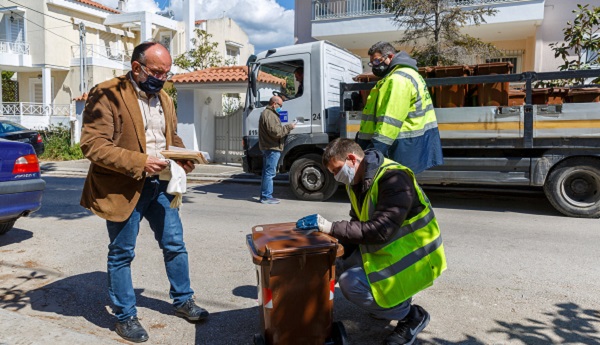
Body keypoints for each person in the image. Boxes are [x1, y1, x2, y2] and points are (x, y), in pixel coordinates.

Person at [79, 42, 208, 343]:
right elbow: (93, 145)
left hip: (161, 184)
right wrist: (140, 161)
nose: (162, 78)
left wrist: (182, 157)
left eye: (167, 72)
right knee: (122, 252)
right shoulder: (107, 93)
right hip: (123, 187)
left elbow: (169, 136)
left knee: (175, 244)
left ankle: (183, 300)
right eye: (156, 72)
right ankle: (125, 316)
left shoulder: (164, 97)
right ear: (136, 67)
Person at [296, 138, 446, 345]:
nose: (335, 176)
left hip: (416, 256)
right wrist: (335, 252)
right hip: (387, 249)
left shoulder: (395, 178)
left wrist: (330, 227)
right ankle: (389, 304)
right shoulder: (357, 181)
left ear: (351, 159)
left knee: (351, 283)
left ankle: (411, 316)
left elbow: (380, 230)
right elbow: (358, 223)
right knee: (332, 264)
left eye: (336, 170)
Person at [357, 41, 444, 174]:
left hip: (399, 148)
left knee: (397, 189)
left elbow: (390, 122)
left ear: (390, 57)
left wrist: (374, 153)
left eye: (376, 61)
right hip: (409, 145)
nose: (374, 67)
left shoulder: (398, 79)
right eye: (371, 63)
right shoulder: (410, 74)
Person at [258, 96, 296, 204]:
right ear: (274, 104)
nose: (281, 108)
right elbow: (276, 132)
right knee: (270, 174)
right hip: (272, 148)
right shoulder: (269, 115)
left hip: (269, 147)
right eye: (280, 105)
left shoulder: (268, 113)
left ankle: (264, 196)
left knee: (267, 173)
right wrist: (289, 127)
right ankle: (266, 197)